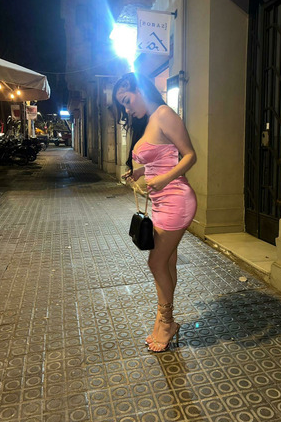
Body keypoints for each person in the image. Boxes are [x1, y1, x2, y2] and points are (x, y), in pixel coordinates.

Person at [112, 72, 197, 352]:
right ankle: (165, 321)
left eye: (127, 101)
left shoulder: (163, 114)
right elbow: (161, 158)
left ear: (139, 89)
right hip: (160, 203)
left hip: (176, 200)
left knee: (156, 263)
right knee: (167, 262)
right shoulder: (148, 121)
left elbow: (190, 155)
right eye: (123, 106)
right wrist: (138, 172)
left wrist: (163, 179)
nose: (127, 109)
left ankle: (166, 322)